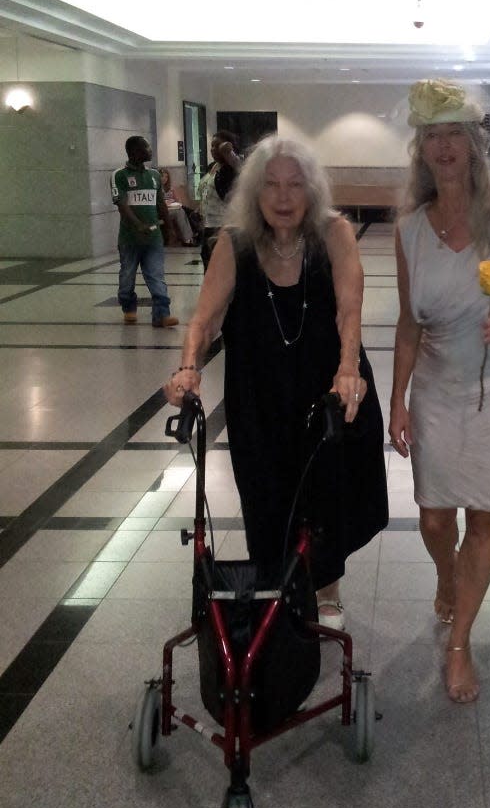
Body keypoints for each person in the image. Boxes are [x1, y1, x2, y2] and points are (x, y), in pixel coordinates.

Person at [162, 134, 388, 629]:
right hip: (259, 395)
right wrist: (187, 365)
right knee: (265, 495)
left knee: (326, 493)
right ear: (253, 193)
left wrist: (348, 368)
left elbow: (350, 308)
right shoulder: (235, 243)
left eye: (295, 185)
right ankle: (274, 582)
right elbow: (206, 316)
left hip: (327, 389)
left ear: (312, 191)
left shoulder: (334, 234)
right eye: (271, 186)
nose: (283, 198)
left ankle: (327, 588)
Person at [389, 78, 490, 704]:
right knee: (433, 516)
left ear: (474, 146)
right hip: (436, 385)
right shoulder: (409, 230)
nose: (445, 146)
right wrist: (397, 400)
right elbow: (406, 324)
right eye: (433, 136)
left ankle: (461, 644)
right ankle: (446, 578)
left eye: (456, 134)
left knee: (483, 516)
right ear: (421, 150)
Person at [110, 136, 179, 328]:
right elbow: (122, 204)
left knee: (156, 275)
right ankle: (128, 306)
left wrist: (169, 228)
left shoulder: (155, 176)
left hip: (153, 237)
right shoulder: (119, 175)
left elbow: (160, 204)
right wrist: (138, 225)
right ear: (133, 152)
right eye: (146, 147)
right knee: (127, 276)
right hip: (129, 238)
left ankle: (161, 314)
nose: (150, 150)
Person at [199, 130, 243, 270]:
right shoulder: (212, 167)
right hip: (208, 224)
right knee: (208, 261)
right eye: (211, 146)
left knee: (221, 265)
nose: (213, 150)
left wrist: (229, 153)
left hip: (224, 224)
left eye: (216, 146)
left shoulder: (231, 168)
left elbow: (241, 169)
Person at [158, 167, 197, 246]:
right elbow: (158, 203)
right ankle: (189, 237)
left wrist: (175, 201)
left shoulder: (170, 189)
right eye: (162, 176)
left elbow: (178, 201)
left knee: (181, 210)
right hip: (162, 211)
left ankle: (189, 238)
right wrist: (166, 203)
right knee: (181, 212)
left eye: (166, 177)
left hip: (172, 208)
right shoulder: (157, 188)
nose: (164, 179)